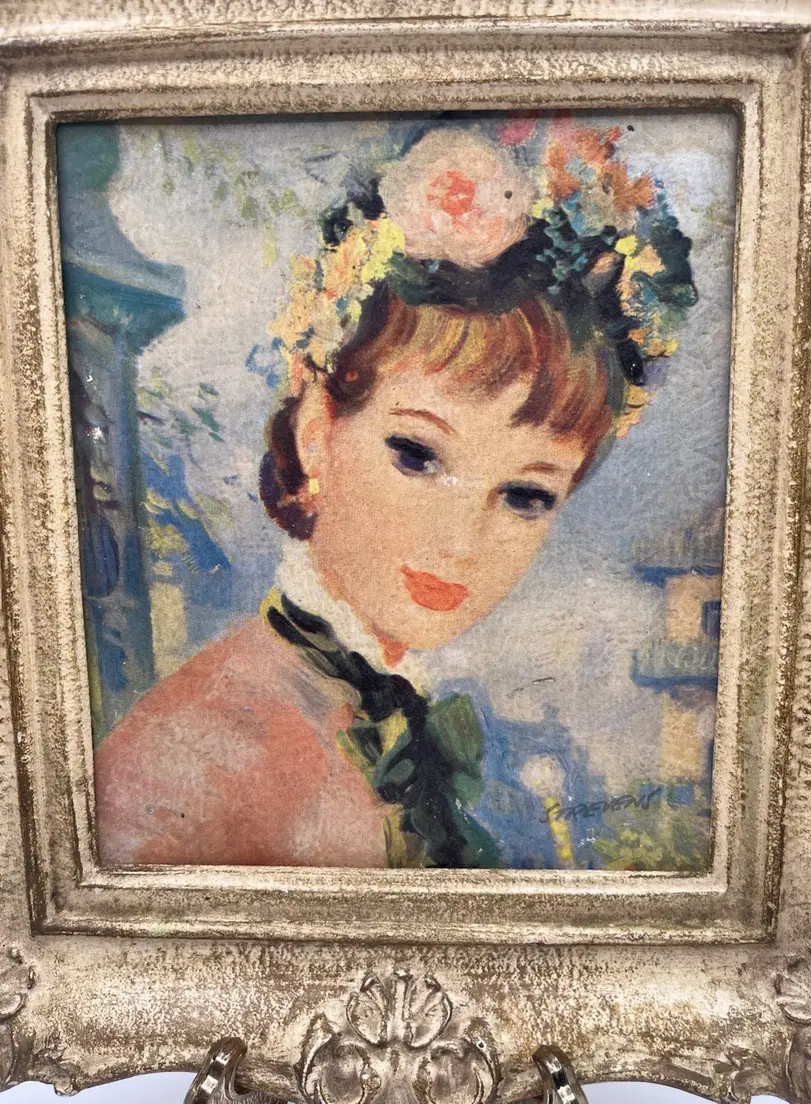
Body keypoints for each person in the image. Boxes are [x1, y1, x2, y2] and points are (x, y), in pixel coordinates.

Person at [94, 120, 695, 869]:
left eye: (526, 496)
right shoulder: (189, 763)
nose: (459, 541)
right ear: (317, 430)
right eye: (417, 455)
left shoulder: (388, 705)